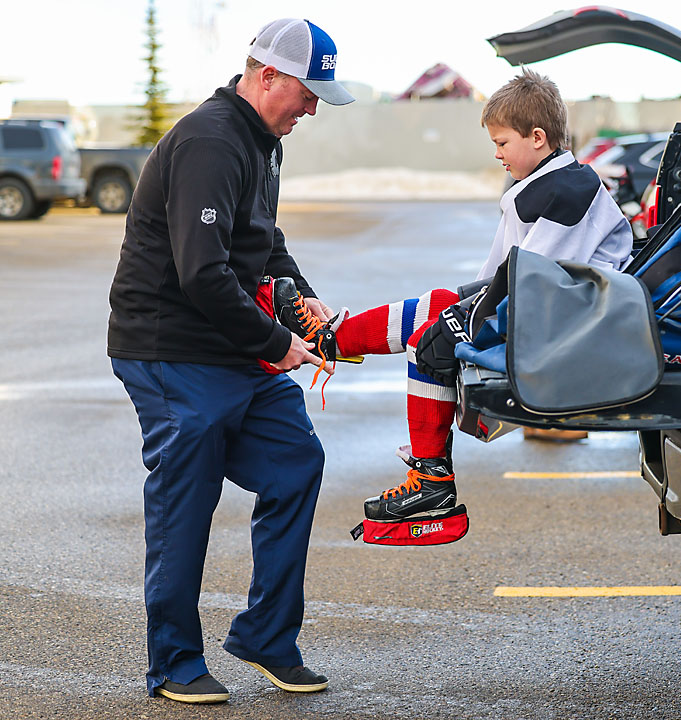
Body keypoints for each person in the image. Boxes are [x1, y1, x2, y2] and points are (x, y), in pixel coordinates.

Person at [108, 18, 354, 705]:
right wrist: (276, 343)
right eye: (308, 94)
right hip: (170, 349)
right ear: (267, 75)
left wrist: (301, 297)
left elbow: (263, 240)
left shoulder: (264, 142)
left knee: (296, 462)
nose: (313, 109)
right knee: (187, 500)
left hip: (228, 347)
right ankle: (174, 664)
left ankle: (267, 637)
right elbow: (203, 274)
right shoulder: (210, 141)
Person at [277, 69, 632, 524]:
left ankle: (432, 481)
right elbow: (502, 277)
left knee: (432, 341)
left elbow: (534, 283)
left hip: (578, 322)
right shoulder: (543, 183)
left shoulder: (568, 192)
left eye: (502, 142)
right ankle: (331, 341)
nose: (497, 153)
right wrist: (462, 310)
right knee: (442, 305)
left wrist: (465, 322)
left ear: (537, 138)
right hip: (557, 308)